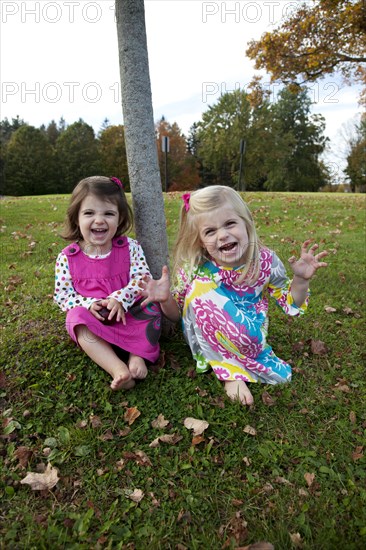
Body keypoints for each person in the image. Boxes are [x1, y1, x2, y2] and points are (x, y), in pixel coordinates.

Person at [140, 185, 328, 406]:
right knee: (202, 288)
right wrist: (165, 299)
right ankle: (230, 372)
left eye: (230, 224)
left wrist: (301, 280)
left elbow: (291, 303)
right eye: (210, 231)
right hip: (207, 340)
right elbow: (178, 315)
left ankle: (239, 362)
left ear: (246, 222)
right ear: (201, 240)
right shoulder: (195, 267)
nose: (223, 235)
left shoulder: (265, 261)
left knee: (245, 333)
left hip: (247, 335)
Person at [54, 175, 161, 391]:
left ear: (120, 218)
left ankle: (136, 356)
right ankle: (117, 369)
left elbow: (142, 278)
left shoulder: (130, 247)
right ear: (76, 218)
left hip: (128, 314)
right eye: (89, 213)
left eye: (108, 213)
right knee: (75, 319)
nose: (99, 220)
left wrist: (119, 298)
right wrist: (89, 304)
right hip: (97, 321)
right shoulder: (68, 257)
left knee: (151, 306)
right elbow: (63, 296)